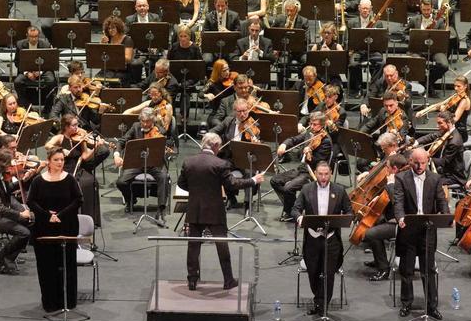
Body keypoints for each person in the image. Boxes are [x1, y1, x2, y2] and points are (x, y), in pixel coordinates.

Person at [178, 133, 264, 290]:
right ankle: (228, 280)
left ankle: (192, 280)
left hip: (194, 209)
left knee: (193, 246)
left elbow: (182, 184)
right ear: (216, 146)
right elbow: (232, 184)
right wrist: (253, 180)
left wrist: (197, 191)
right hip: (214, 211)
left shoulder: (188, 162)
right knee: (222, 245)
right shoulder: (220, 164)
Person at [393, 148, 449, 319]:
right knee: (407, 270)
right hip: (408, 230)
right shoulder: (401, 178)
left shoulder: (435, 178)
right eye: (416, 162)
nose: (420, 166)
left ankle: (431, 306)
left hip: (427, 230)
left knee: (428, 270)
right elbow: (398, 201)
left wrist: (446, 216)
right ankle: (406, 303)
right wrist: (400, 218)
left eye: (423, 163)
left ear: (427, 161)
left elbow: (441, 200)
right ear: (410, 161)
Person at [27, 147, 84, 311]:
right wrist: (47, 215)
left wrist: (60, 215)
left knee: (66, 264)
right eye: (56, 160)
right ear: (49, 162)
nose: (60, 163)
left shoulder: (70, 179)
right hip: (44, 226)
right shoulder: (38, 180)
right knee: (46, 265)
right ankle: (50, 302)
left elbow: (78, 200)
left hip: (67, 225)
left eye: (62, 160)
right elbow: (31, 201)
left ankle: (68, 301)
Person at [292, 161, 351, 315]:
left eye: (326, 174)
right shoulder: (306, 189)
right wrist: (299, 218)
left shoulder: (339, 190)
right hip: (312, 239)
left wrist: (347, 218)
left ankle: (322, 305)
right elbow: (295, 209)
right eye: (320, 174)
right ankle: (319, 299)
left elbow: (349, 211)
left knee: (328, 273)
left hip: (331, 239)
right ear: (316, 174)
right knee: (313, 272)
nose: (323, 177)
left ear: (330, 173)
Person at [271, 112, 334, 221]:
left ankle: (291, 212)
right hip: (301, 168)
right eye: (311, 123)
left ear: (322, 125)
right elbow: (294, 139)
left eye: (315, 124)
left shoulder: (326, 141)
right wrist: (284, 144)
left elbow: (319, 163)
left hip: (311, 173)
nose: (312, 126)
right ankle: (293, 207)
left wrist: (310, 154)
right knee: (274, 180)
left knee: (288, 188)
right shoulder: (310, 133)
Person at [361, 150, 408, 281]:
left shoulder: (403, 180)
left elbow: (397, 202)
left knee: (371, 233)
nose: (385, 169)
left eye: (387, 167)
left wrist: (391, 185)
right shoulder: (397, 178)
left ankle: (384, 269)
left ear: (394, 168)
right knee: (374, 222)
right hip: (392, 217)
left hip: (402, 222)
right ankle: (379, 260)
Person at [111, 110, 168, 214]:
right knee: (121, 182)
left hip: (154, 164)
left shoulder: (160, 131)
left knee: (163, 177)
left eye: (148, 121)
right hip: (136, 163)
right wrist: (116, 155)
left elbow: (167, 146)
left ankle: (161, 207)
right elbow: (121, 141)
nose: (145, 124)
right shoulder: (136, 126)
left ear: (153, 120)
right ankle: (130, 200)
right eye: (143, 121)